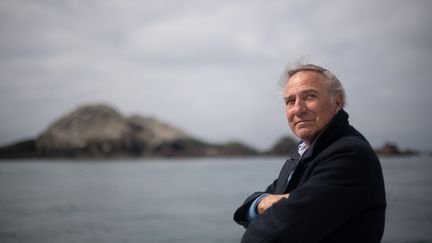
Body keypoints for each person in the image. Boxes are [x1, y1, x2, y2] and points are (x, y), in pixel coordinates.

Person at [233, 64, 386, 243]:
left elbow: (277, 230)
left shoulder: (350, 154)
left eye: (310, 96)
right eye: (290, 101)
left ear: (337, 102)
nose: (298, 109)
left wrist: (275, 205)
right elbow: (250, 207)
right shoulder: (303, 151)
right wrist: (262, 203)